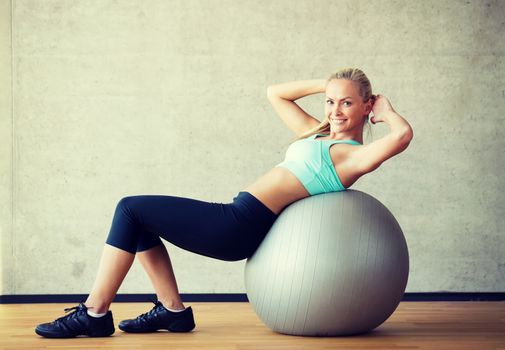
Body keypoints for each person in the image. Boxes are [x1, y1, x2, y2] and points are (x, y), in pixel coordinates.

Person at [35, 67, 413, 338]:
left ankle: (94, 313)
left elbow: (402, 136)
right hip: (239, 213)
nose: (334, 111)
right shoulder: (317, 135)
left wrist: (388, 111)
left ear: (366, 107)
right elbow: (274, 92)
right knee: (138, 220)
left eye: (346, 103)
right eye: (330, 102)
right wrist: (328, 83)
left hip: (240, 224)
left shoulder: (351, 155)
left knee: (129, 208)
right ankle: (172, 312)